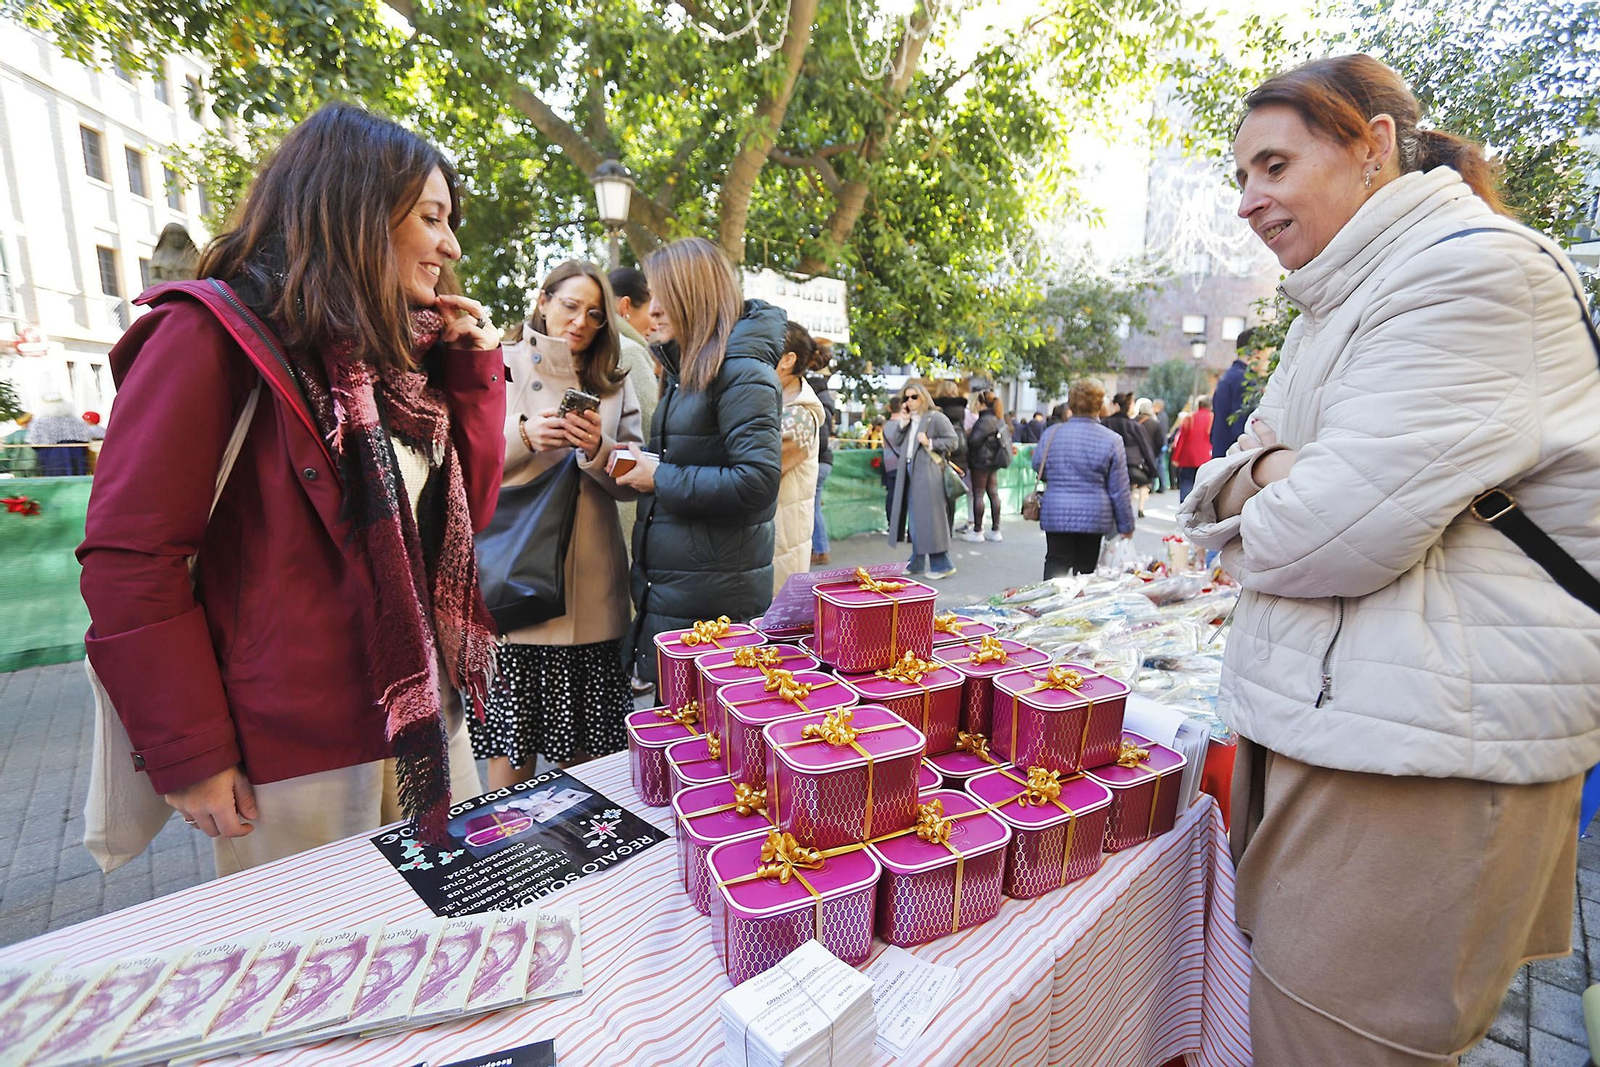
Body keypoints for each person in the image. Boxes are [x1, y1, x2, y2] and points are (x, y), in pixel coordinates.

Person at [1178, 54, 1600, 1065]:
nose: (1249, 200)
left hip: (1416, 764)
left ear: (1371, 147)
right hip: (1363, 733)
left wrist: (1257, 482)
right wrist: (1262, 476)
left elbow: (1319, 535)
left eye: (1272, 165)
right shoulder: (1344, 302)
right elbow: (1215, 492)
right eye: (1240, 177)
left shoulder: (1470, 269)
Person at [77, 103, 504, 872]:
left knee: (453, 954)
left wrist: (474, 380)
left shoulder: (404, 359)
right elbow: (129, 556)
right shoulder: (209, 333)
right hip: (295, 756)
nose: (452, 244)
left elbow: (465, 525)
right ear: (358, 210)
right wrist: (193, 750)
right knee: (320, 978)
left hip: (430, 728)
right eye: (433, 216)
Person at [471, 261, 642, 788]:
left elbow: (633, 472)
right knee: (511, 748)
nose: (581, 321)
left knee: (588, 758)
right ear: (543, 300)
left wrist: (597, 448)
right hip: (515, 580)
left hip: (592, 589)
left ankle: (588, 860)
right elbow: (462, 456)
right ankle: (504, 859)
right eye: (570, 305)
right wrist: (524, 434)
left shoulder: (613, 381)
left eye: (594, 313)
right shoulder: (495, 362)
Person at [616, 237, 784, 696]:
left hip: (712, 607)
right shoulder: (685, 370)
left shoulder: (741, 371)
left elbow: (757, 482)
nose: (653, 310)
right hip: (681, 596)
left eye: (662, 293)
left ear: (694, 293)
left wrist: (660, 476)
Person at [1033, 378, 1134, 578]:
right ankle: (1078, 608)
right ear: (1099, 405)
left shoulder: (1051, 433)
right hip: (1094, 514)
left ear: (1071, 403)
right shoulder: (1112, 440)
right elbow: (1119, 489)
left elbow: (1038, 465)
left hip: (1056, 510)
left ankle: (1050, 607)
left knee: (1055, 561)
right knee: (1086, 569)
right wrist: (1126, 526)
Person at [607, 266, 662, 560]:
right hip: (625, 495)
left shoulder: (595, 343)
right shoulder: (629, 350)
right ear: (626, 306)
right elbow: (651, 428)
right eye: (651, 311)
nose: (654, 322)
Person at [771, 322, 826, 592]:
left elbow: (761, 465)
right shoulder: (776, 400)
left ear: (787, 360)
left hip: (781, 545)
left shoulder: (799, 415)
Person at [885, 382, 959, 577]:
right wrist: (903, 421)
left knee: (931, 518)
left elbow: (953, 441)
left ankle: (942, 564)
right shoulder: (910, 419)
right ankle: (917, 561)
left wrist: (931, 442)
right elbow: (898, 441)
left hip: (928, 472)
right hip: (910, 471)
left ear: (923, 397)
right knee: (917, 519)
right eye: (906, 398)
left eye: (913, 397)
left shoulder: (935, 417)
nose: (909, 401)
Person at [963, 389, 1011, 543]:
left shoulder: (985, 420)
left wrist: (968, 434)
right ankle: (995, 529)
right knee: (993, 494)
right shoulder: (998, 418)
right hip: (994, 461)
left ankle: (978, 531)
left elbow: (974, 441)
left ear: (981, 403)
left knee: (979, 494)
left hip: (981, 461)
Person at [807, 340, 839, 566]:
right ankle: (819, 548)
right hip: (824, 460)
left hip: (818, 459)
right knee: (813, 506)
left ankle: (820, 549)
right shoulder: (827, 398)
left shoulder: (816, 398)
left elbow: (822, 437)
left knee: (812, 507)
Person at [1104, 391, 1157, 517]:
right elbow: (1146, 449)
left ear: (1115, 405)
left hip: (1108, 465)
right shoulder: (1135, 426)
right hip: (1132, 464)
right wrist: (1152, 471)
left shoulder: (1105, 423)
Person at [27, 394, 101, 476]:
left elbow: (34, 442)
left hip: (52, 455)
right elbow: (87, 438)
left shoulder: (40, 422)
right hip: (75, 453)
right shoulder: (76, 421)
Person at [1210, 328, 1254, 457]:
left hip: (1221, 451)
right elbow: (1240, 429)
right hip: (1234, 456)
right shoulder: (1245, 380)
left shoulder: (1228, 376)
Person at [1170, 396, 1213, 501]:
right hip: (1206, 457)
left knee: (1186, 481)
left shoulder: (1190, 418)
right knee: (1203, 483)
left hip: (1188, 456)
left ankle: (1184, 505)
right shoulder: (1212, 418)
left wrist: (1176, 458)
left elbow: (1181, 439)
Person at [1135, 397, 1166, 503]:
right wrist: (1156, 452)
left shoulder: (1132, 422)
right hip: (1151, 452)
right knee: (1150, 470)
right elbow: (1160, 441)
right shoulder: (1155, 423)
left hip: (1136, 452)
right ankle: (1150, 488)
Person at [0, 413, 38, 477]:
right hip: (33, 465)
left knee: (20, 485)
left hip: (16, 465)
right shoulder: (36, 435)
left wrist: (13, 456)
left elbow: (7, 453)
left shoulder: (12, 436)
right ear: (30, 421)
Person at [1150, 398, 1171, 491]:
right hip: (1162, 443)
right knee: (1160, 465)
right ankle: (1161, 485)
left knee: (1158, 465)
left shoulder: (1159, 417)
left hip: (1159, 444)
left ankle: (1159, 485)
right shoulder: (1164, 416)